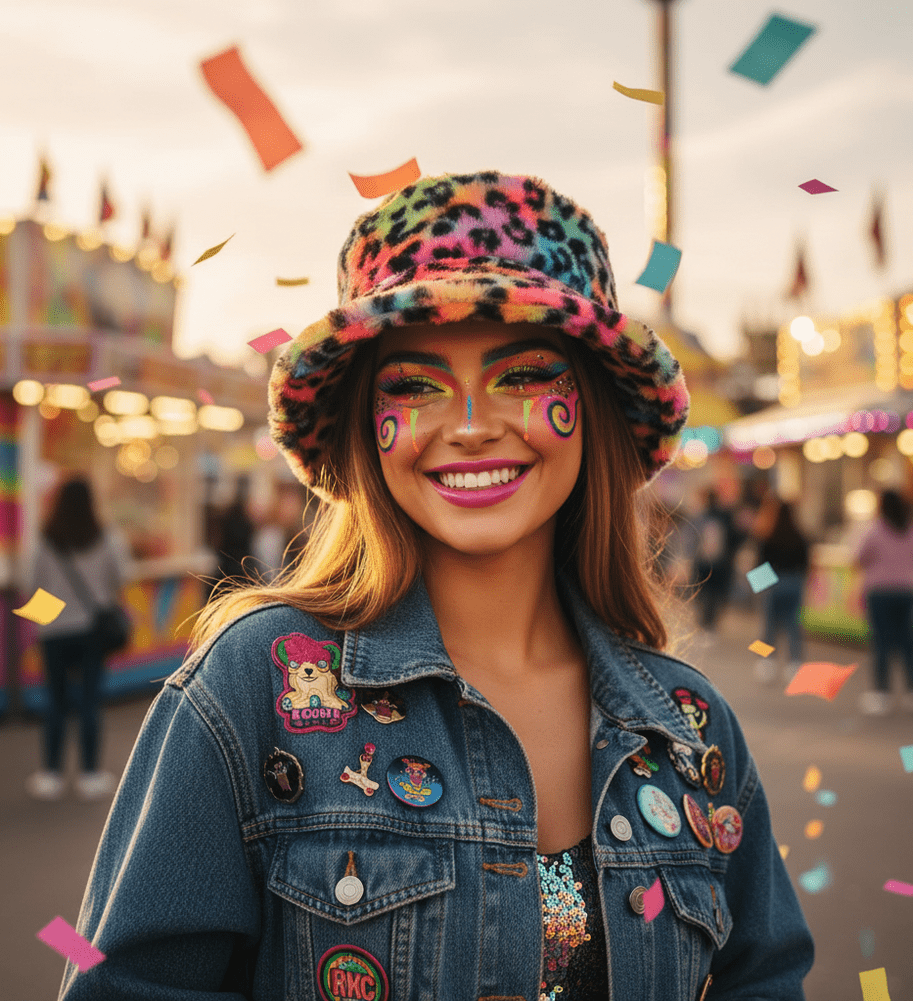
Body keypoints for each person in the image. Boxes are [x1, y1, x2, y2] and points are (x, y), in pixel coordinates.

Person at [60, 170, 813, 1000]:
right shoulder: (250, 689)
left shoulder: (692, 729)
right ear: (365, 423)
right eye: (415, 385)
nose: (470, 426)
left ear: (592, 407)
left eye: (522, 375)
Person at [25, 476, 122, 801]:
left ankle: (51, 774)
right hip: (91, 630)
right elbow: (121, 576)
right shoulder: (106, 538)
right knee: (90, 702)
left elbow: (32, 582)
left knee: (55, 700)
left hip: (52, 630)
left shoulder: (46, 540)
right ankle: (89, 774)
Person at [854, 489, 913, 715]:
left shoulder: (876, 530)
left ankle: (881, 693)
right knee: (907, 642)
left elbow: (858, 558)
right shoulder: (909, 530)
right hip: (906, 590)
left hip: (879, 592)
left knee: (881, 642)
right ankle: (910, 690)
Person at [751, 496, 811, 685]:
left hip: (772, 583)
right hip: (794, 583)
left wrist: (759, 589)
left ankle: (765, 662)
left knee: (768, 626)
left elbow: (760, 562)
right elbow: (806, 564)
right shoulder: (800, 536)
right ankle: (795, 664)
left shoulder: (767, 535)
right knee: (793, 626)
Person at [691, 488, 740, 636]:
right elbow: (736, 539)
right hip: (720, 563)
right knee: (716, 594)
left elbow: (692, 541)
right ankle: (709, 622)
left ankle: (706, 622)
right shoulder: (726, 517)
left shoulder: (702, 517)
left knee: (704, 592)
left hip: (705, 562)